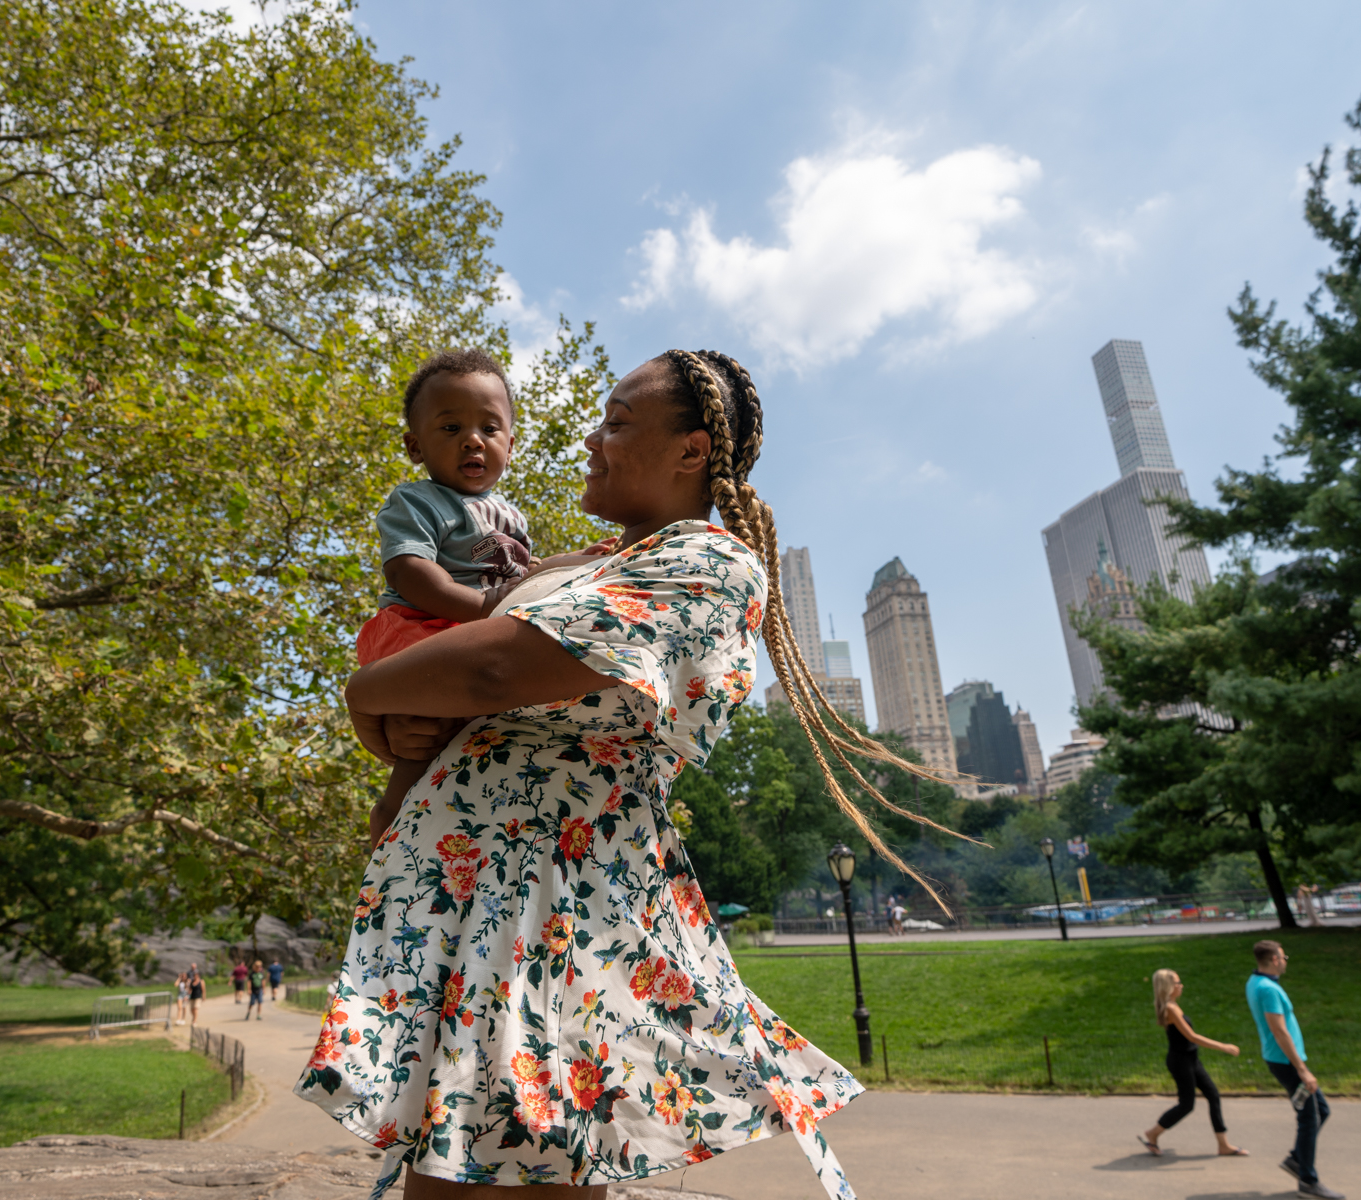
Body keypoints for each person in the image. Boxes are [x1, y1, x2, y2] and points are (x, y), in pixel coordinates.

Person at [299, 350, 969, 1199]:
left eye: (616, 422)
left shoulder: (706, 561)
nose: (590, 439)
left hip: (554, 905)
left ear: (690, 451)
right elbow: (453, 683)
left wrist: (363, 695)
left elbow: (493, 672)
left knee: (522, 1169)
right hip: (480, 905)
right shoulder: (586, 563)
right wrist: (397, 729)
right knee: (453, 1171)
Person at [354, 349, 614, 842]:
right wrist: (480, 610)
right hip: (419, 623)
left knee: (461, 727)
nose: (472, 440)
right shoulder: (418, 500)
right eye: (450, 429)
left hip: (473, 626)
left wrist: (576, 559)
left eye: (489, 429)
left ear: (510, 445)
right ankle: (390, 816)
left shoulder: (508, 515)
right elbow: (410, 571)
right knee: (425, 728)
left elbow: (522, 575)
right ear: (415, 445)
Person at [1247, 940, 1343, 1199]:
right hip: (1287, 1062)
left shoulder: (1255, 982)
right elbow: (1279, 1030)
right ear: (1275, 960)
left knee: (1321, 1110)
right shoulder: (1268, 989)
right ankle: (1308, 1182)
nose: (1286, 960)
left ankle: (1296, 1160)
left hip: (1283, 1060)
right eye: (1284, 956)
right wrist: (1302, 1069)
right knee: (1309, 1118)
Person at [1138, 968, 1245, 1158]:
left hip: (1191, 1059)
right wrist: (1223, 1047)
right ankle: (1153, 1133)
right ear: (1169, 987)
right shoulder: (1170, 1009)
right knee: (1187, 1104)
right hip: (1180, 1062)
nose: (1181, 986)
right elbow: (1192, 1037)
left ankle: (1223, 1145)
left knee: (1213, 1095)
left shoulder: (1173, 1005)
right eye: (1178, 983)